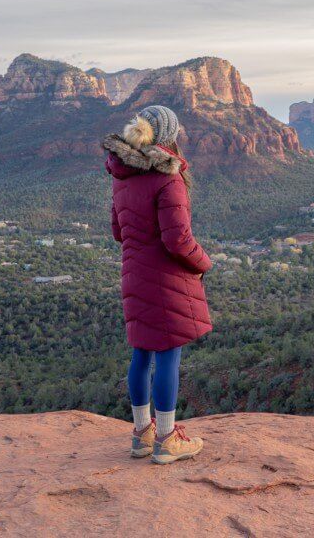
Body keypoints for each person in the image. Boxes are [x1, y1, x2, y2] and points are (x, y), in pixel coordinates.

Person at [102, 105, 212, 464]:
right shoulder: (169, 177)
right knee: (168, 355)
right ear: (168, 137)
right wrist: (204, 263)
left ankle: (142, 435)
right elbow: (178, 240)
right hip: (165, 279)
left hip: (134, 274)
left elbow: (119, 232)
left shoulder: (122, 176)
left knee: (141, 353)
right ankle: (166, 439)